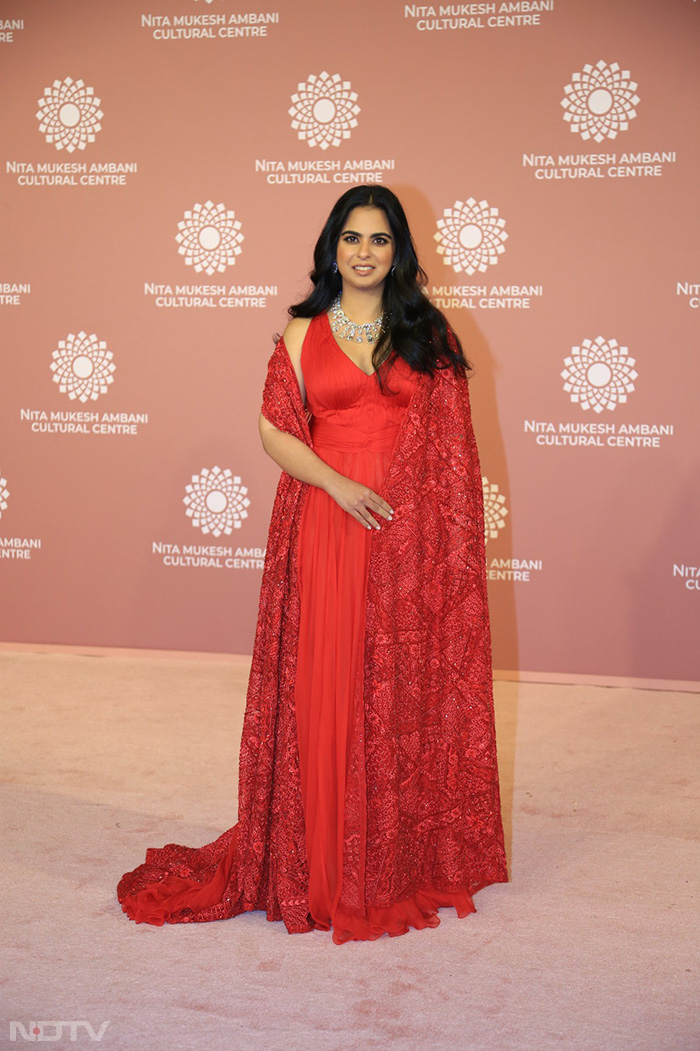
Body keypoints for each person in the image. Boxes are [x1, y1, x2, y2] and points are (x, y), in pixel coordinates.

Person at [117, 186, 508, 944]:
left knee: (393, 699)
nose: (365, 251)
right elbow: (274, 432)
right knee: (325, 693)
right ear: (333, 248)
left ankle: (390, 860)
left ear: (400, 251)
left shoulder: (427, 331)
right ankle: (322, 869)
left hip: (405, 535)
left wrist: (426, 539)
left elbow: (454, 454)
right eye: (353, 238)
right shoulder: (300, 333)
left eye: (381, 239)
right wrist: (336, 482)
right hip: (327, 527)